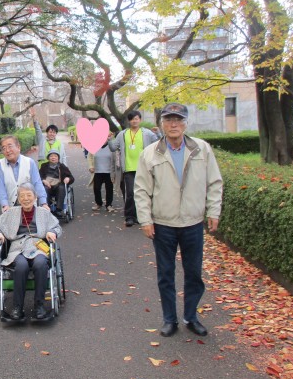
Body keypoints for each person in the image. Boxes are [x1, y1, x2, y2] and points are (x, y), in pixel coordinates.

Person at [134, 103, 223, 338]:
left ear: (186, 123)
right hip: (163, 223)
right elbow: (141, 189)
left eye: (178, 120)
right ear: (162, 123)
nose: (173, 124)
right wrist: (145, 219)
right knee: (166, 273)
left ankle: (191, 316)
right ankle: (169, 319)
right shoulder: (150, 153)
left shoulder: (202, 149)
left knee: (194, 273)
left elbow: (214, 182)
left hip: (193, 222)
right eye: (169, 120)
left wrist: (213, 211)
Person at [0, 182, 62, 321]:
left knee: (40, 264)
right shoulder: (11, 212)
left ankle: (39, 306)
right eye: (22, 196)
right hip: (17, 248)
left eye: (29, 195)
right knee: (21, 266)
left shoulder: (43, 213)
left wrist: (51, 232)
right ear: (18, 198)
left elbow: (56, 226)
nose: (26, 199)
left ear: (35, 197)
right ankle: (17, 308)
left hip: (38, 247)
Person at [108, 110, 159, 227]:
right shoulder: (123, 134)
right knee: (130, 193)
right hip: (129, 169)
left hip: (144, 168)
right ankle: (130, 216)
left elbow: (159, 144)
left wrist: (159, 133)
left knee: (145, 193)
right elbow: (113, 148)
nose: (134, 121)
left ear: (140, 120)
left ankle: (142, 216)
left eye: (136, 118)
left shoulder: (147, 133)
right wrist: (110, 139)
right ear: (129, 121)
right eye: (132, 119)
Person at [0, 135, 49, 213]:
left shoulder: (29, 162)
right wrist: (4, 204)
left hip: (29, 204)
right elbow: (0, 187)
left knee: (30, 224)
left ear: (18, 147)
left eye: (10, 146)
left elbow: (37, 183)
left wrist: (43, 203)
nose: (7, 150)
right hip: (10, 207)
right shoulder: (0, 164)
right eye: (4, 148)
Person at [87, 131, 119, 212]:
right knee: (96, 188)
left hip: (109, 171)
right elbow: (89, 157)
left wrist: (115, 170)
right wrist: (90, 166)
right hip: (97, 171)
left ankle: (109, 205)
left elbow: (116, 157)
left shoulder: (111, 146)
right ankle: (99, 203)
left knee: (109, 189)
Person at [39, 149, 74, 217]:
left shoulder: (62, 166)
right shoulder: (44, 166)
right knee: (45, 189)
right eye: (51, 156)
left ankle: (58, 209)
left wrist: (68, 178)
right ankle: (46, 208)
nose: (53, 157)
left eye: (55, 156)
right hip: (47, 186)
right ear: (48, 158)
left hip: (58, 186)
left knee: (61, 187)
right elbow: (38, 177)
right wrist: (43, 180)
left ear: (58, 158)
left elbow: (72, 178)